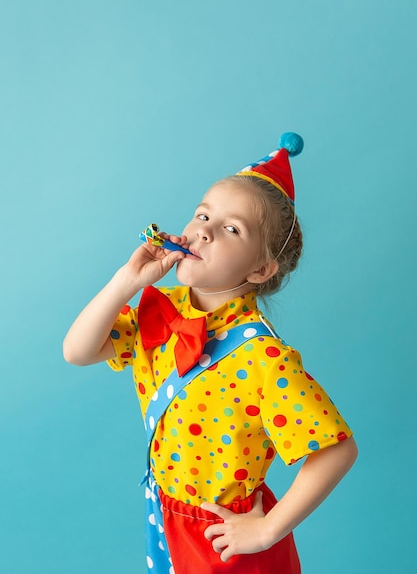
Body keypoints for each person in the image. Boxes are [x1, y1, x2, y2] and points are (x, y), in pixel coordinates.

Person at [63, 132, 358, 574]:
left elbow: (338, 451)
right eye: (204, 214)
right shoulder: (161, 311)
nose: (203, 229)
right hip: (163, 517)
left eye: (230, 228)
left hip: (225, 538)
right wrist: (127, 282)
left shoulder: (263, 358)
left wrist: (266, 530)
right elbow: (77, 351)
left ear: (260, 269)